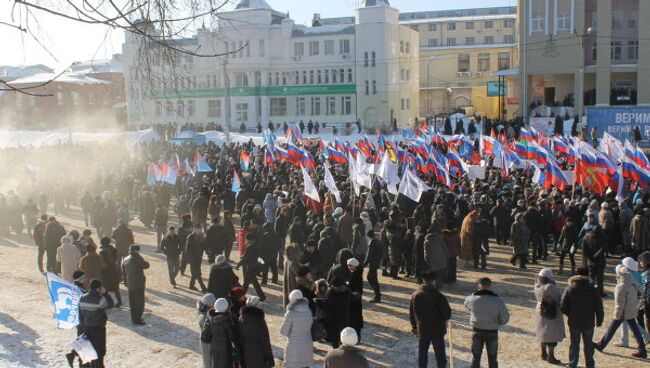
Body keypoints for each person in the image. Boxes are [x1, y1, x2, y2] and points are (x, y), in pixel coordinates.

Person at [594, 264, 647, 358]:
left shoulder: (621, 286)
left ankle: (601, 345)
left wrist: (617, 314)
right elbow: (641, 290)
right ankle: (642, 349)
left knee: (612, 328)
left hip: (623, 311)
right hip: (632, 309)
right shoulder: (632, 280)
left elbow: (620, 303)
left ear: (618, 274)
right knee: (634, 329)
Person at [561, 268, 604, 368]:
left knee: (574, 344)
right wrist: (599, 320)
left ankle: (572, 364)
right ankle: (590, 364)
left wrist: (570, 314)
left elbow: (563, 307)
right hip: (589, 322)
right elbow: (599, 306)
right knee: (588, 344)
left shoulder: (570, 288)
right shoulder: (593, 289)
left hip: (574, 321)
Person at [464, 277, 510, 368]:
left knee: (475, 358)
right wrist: (497, 322)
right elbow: (505, 319)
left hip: (477, 330)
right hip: (492, 331)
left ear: (478, 286)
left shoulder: (472, 299)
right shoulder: (498, 301)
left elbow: (466, 304)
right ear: (490, 286)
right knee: (492, 358)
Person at [410, 271, 452, 368]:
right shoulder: (439, 296)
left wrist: (414, 327)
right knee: (440, 356)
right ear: (434, 281)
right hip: (437, 330)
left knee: (422, 355)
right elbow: (447, 315)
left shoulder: (415, 295)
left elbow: (412, 314)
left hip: (422, 329)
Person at [78, 279, 114, 368]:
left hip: (86, 327)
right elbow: (111, 304)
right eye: (102, 287)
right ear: (98, 289)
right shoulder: (100, 299)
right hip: (98, 328)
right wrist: (105, 294)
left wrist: (82, 326)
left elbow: (80, 314)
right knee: (99, 351)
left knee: (88, 349)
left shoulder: (82, 297)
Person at [534, 269, 565, 364]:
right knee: (551, 335)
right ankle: (551, 356)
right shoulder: (550, 287)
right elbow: (559, 298)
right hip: (551, 311)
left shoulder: (537, 285)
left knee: (542, 332)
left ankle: (543, 353)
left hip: (540, 309)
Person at [280, 290, 314, 368]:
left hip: (293, 348)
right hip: (307, 346)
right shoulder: (309, 311)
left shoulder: (290, 313)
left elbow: (283, 332)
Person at [238, 296, 274, 368]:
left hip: (247, 352)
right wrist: (268, 355)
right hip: (259, 353)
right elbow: (264, 339)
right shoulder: (259, 320)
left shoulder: (241, 318)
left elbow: (240, 337)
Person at [206, 298, 240, 368]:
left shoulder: (211, 319)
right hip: (226, 349)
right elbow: (233, 337)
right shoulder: (227, 320)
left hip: (214, 347)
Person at [122, 245, 150, 325]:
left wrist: (125, 282)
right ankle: (137, 318)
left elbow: (123, 271)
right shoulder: (137, 258)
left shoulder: (125, 259)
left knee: (132, 302)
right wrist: (140, 257)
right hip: (138, 282)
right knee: (139, 302)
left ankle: (134, 318)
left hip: (130, 282)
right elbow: (146, 265)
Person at [99, 237, 122, 307]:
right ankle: (119, 302)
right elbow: (117, 259)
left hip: (106, 271)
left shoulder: (102, 252)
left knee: (106, 288)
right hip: (114, 270)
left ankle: (109, 303)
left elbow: (102, 263)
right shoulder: (114, 250)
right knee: (116, 288)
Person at [186, 224, 207, 292]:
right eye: (198, 229)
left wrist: (208, 253)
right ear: (195, 229)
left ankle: (191, 285)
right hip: (193, 257)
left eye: (200, 229)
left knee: (195, 272)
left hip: (199, 257)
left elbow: (204, 246)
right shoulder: (191, 237)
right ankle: (203, 287)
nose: (200, 230)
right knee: (198, 272)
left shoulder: (202, 237)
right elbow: (188, 249)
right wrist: (188, 258)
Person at [197, 293, 216, 368]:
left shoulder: (202, 310)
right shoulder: (206, 316)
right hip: (207, 340)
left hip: (205, 339)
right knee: (208, 360)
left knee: (207, 359)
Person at [363, 230, 382, 303]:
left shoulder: (371, 243)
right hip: (376, 263)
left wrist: (364, 264)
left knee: (372, 279)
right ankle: (377, 294)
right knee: (373, 278)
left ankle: (377, 295)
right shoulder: (378, 242)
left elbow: (369, 255)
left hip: (372, 264)